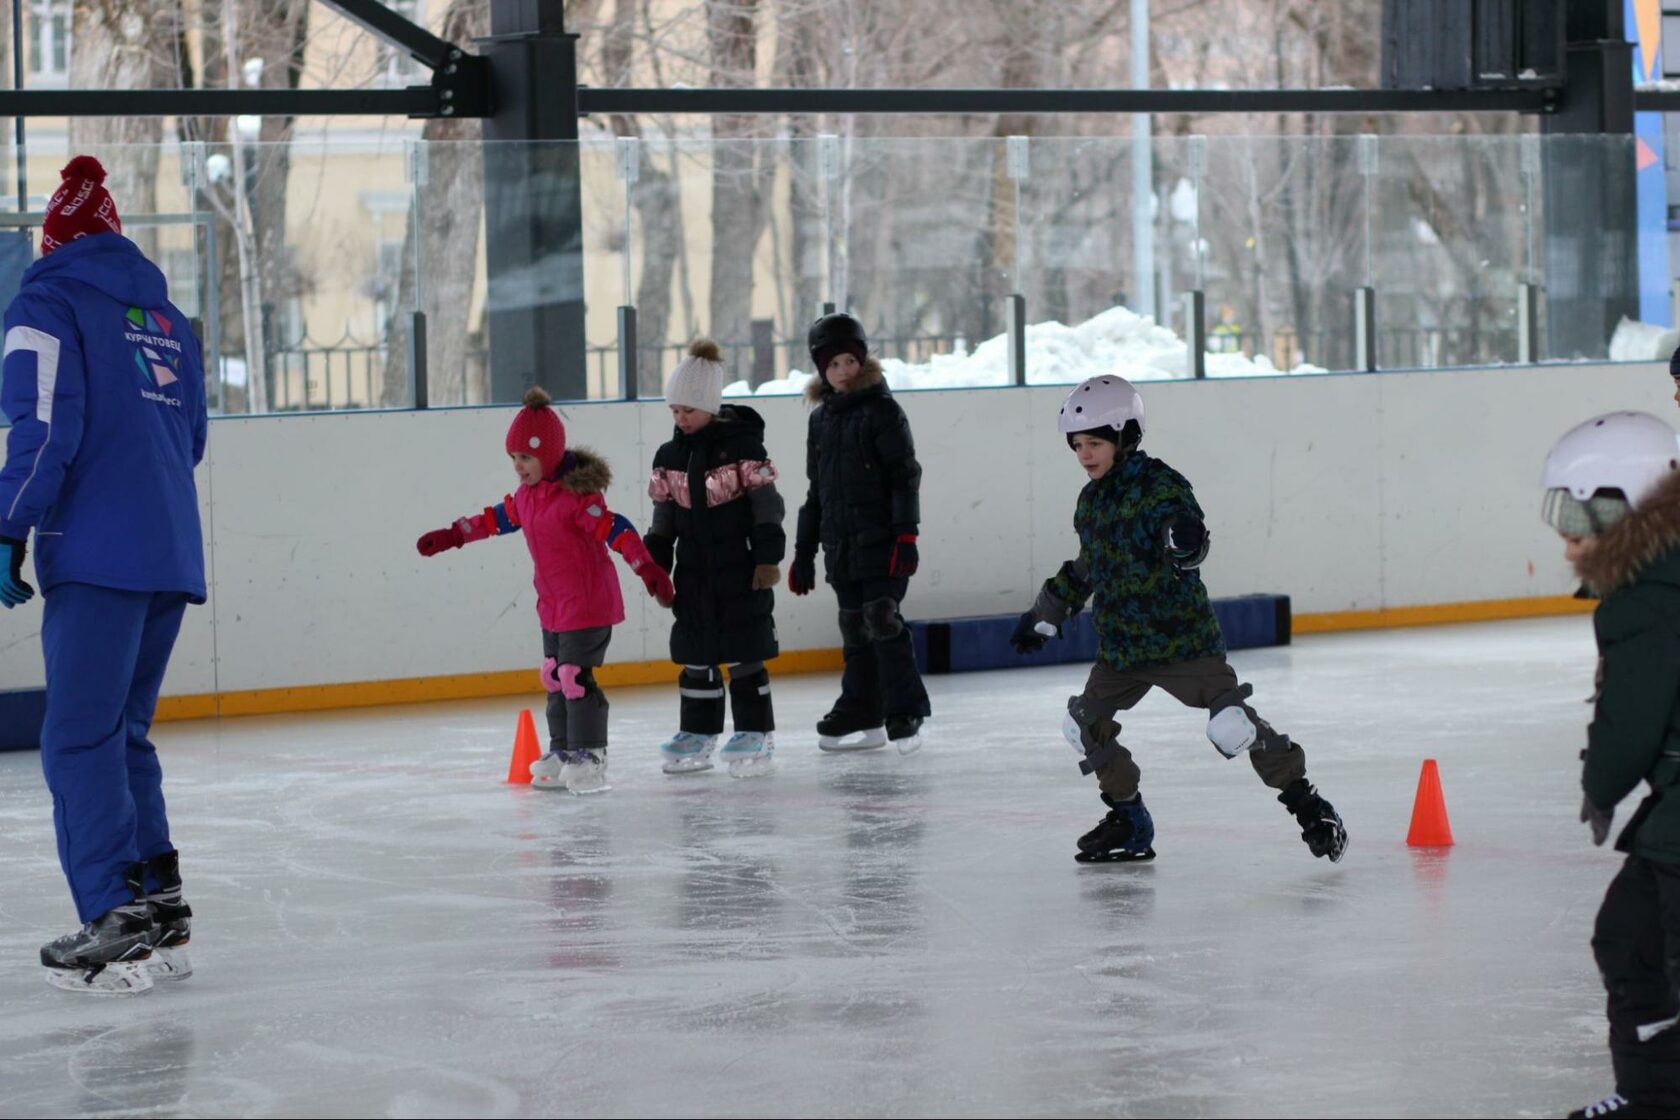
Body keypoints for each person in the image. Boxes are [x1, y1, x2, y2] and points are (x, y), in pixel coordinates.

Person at [0, 156, 206, 994]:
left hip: (96, 550)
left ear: (51, 240)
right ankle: (158, 902)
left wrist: (8, 524)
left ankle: (112, 923)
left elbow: (43, 424)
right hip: (168, 549)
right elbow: (189, 439)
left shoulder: (45, 302)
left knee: (78, 738)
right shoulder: (168, 320)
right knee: (124, 735)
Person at [1011, 374, 1347, 864]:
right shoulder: (1092, 500)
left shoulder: (1160, 485)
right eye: (1078, 445)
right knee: (1083, 724)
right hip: (1122, 651)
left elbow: (1186, 535)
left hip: (1181, 642)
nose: (1085, 455)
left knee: (1232, 726)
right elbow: (1088, 566)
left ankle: (1309, 805)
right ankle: (1129, 819)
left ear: (1125, 437)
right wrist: (1046, 612)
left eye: (1096, 443)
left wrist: (1184, 540)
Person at [415, 386, 673, 794]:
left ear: (549, 455)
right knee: (554, 676)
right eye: (514, 457)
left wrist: (646, 568)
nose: (518, 466)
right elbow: (493, 519)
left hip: (588, 604)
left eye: (526, 457)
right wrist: (454, 535)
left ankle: (591, 755)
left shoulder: (577, 498)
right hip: (552, 606)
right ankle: (562, 749)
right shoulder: (526, 497)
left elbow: (616, 529)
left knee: (574, 676)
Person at [1542, 411, 1680, 1120]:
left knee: (1646, 945)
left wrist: (1600, 785)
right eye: (1558, 511)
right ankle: (1654, 1093)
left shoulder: (1646, 595)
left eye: (1580, 510)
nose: (1567, 535)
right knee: (1631, 935)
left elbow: (1633, 715)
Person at [787, 312, 930, 753]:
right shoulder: (820, 421)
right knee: (853, 627)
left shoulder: (883, 411)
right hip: (841, 546)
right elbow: (817, 493)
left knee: (882, 619)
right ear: (822, 371)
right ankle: (861, 709)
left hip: (884, 543)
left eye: (849, 361)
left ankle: (904, 710)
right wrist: (804, 552)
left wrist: (907, 535)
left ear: (862, 360)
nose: (843, 371)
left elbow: (904, 476)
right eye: (833, 365)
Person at [644, 339, 786, 777]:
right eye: (674, 411)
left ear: (709, 405)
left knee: (745, 652)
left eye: (688, 409)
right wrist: (657, 567)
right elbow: (663, 518)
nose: (680, 418)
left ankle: (755, 732)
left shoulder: (744, 448)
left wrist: (767, 557)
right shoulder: (669, 456)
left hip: (740, 569)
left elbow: (767, 504)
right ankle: (698, 733)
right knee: (696, 655)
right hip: (693, 573)